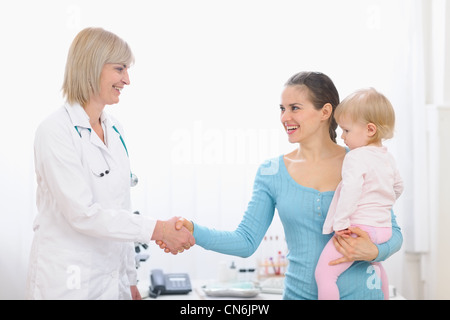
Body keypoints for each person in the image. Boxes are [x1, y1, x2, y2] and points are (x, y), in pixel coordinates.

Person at [158, 72, 403, 300]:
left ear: (325, 111)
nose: (285, 117)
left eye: (295, 108)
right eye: (282, 109)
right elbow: (245, 241)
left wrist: (372, 252)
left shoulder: (363, 161)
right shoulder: (271, 172)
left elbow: (393, 232)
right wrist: (193, 230)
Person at [26, 27, 194, 300]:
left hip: (111, 281)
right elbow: (82, 213)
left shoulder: (115, 130)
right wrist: (159, 229)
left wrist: (130, 279)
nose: (127, 80)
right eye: (120, 69)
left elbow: (120, 208)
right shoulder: (55, 131)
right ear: (92, 67)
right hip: (68, 282)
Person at [314, 88, 404, 300]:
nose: (342, 136)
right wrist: (382, 203)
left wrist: (341, 222)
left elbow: (351, 190)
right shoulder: (387, 158)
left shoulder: (355, 157)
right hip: (383, 230)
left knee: (324, 274)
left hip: (358, 228)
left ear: (370, 129)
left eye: (346, 130)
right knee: (376, 266)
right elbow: (398, 186)